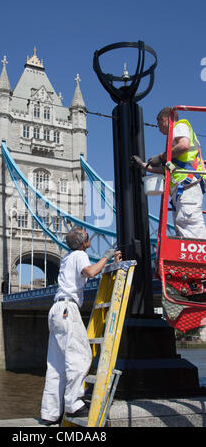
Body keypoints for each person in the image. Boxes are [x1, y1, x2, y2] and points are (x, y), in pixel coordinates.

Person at [40, 226, 122, 426]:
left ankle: (50, 413)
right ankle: (74, 404)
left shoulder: (68, 257)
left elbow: (85, 273)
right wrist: (106, 257)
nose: (88, 236)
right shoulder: (79, 254)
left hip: (56, 310)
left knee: (56, 364)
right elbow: (90, 272)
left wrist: (109, 263)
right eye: (86, 235)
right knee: (80, 356)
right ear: (83, 241)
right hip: (68, 308)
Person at [135, 107, 206, 239]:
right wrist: (145, 166)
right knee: (184, 226)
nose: (159, 129)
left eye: (159, 125)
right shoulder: (174, 149)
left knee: (190, 227)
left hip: (188, 186)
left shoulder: (179, 126)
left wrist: (161, 157)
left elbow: (184, 145)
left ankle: (198, 257)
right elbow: (170, 168)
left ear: (164, 119)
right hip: (183, 188)